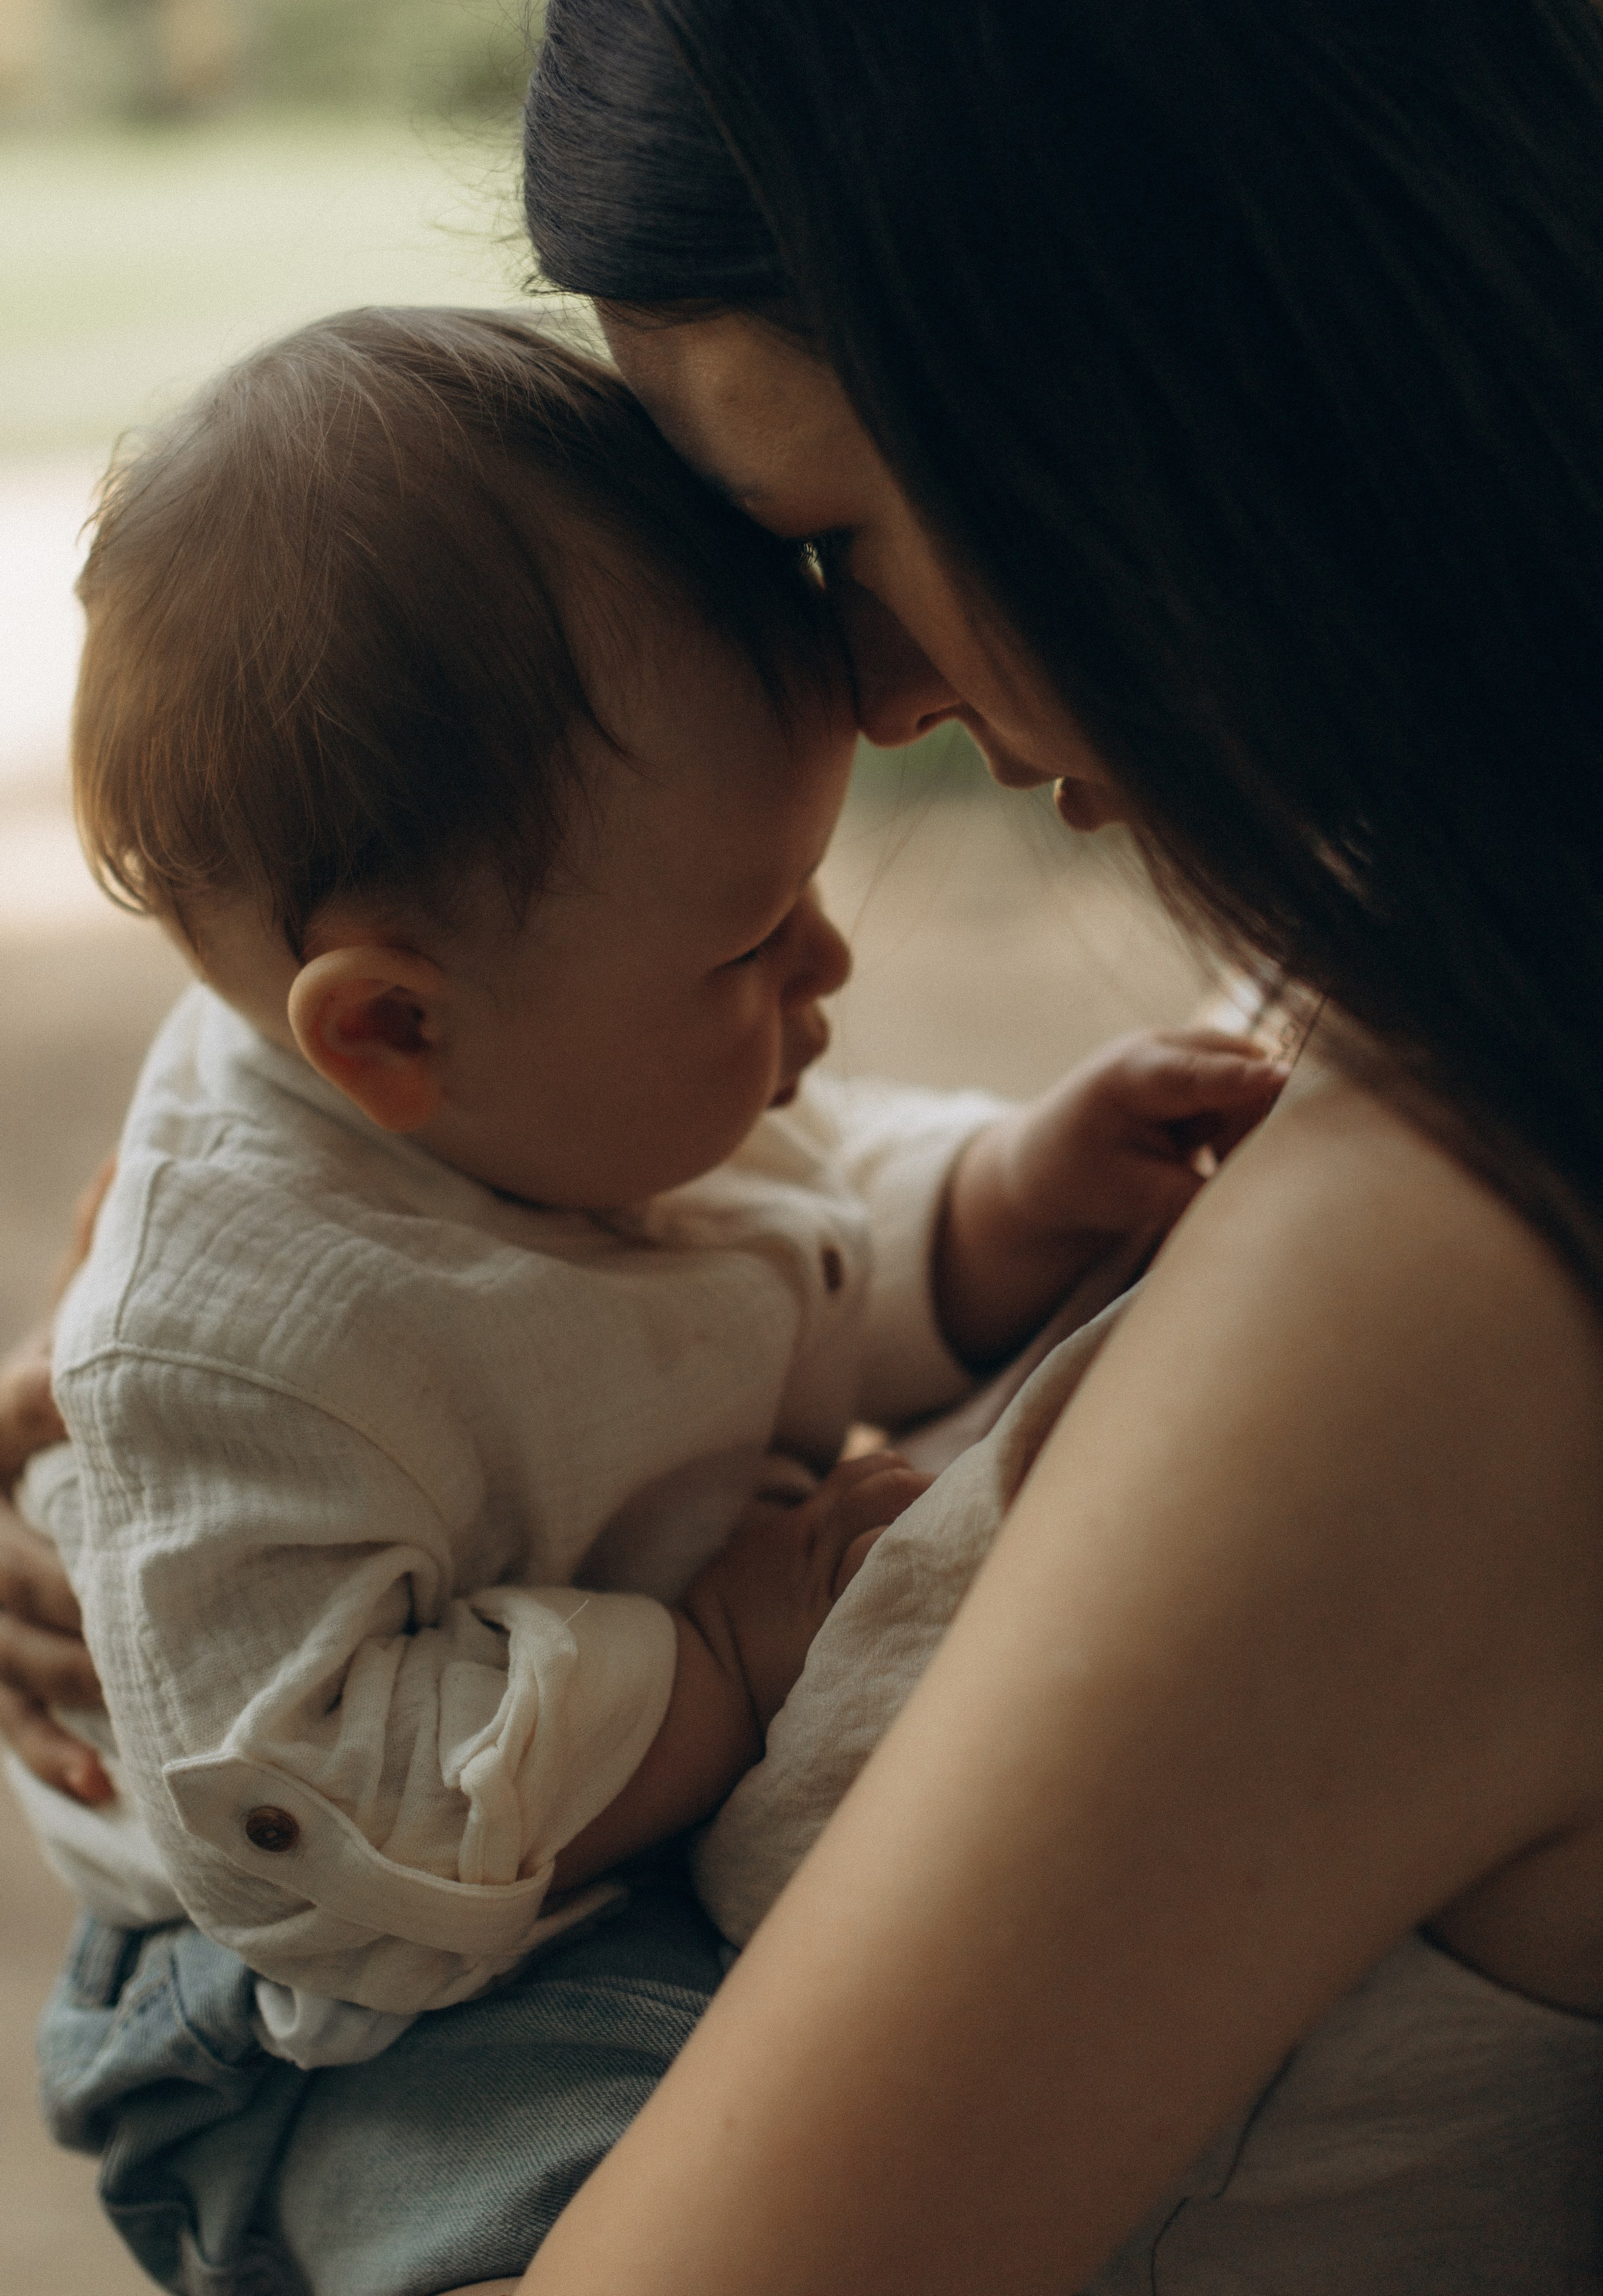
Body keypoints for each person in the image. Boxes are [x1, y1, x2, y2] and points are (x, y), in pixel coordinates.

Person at [454, 0, 1603, 2289]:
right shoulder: (1455, 995)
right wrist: (331, 1402)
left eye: (836, 540)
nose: (868, 688)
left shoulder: (1433, 1269)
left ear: (1166, 383)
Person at [6, 303, 1277, 2296]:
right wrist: (714, 1663)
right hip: (357, 2027)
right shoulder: (232, 1344)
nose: (829, 971)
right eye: (757, 940)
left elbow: (795, 1237)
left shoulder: (543, 1096)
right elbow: (318, 1816)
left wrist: (1017, 1191)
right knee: (617, 2225)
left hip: (585, 1889)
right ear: (395, 1027)